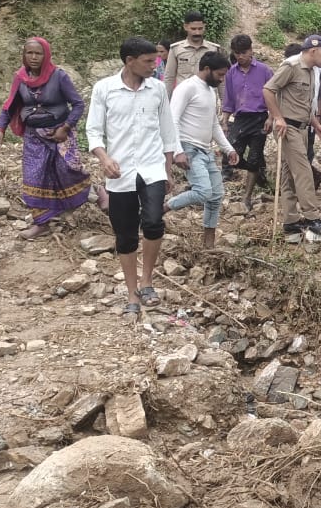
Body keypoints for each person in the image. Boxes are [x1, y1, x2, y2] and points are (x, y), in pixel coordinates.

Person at [86, 37, 186, 318]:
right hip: (121, 173)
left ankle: (147, 281)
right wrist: (105, 159)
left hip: (152, 167)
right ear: (130, 61)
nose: (154, 66)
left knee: (154, 222)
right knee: (125, 234)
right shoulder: (105, 89)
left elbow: (168, 131)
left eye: (155, 60)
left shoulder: (157, 90)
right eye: (148, 61)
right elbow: (93, 131)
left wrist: (167, 170)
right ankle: (132, 293)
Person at [0, 37, 94, 239]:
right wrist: (0, 129)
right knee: (34, 177)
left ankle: (96, 192)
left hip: (58, 135)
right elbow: (10, 105)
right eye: (29, 53)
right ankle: (42, 223)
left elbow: (78, 104)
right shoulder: (20, 78)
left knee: (67, 172)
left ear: (46, 55)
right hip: (33, 137)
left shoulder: (59, 76)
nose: (33, 57)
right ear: (24, 55)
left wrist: (65, 128)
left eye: (38, 53)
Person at [264, 34, 321, 238]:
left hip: (303, 127)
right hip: (288, 128)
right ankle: (312, 217)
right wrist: (277, 118)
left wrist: (316, 125)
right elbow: (268, 90)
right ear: (313, 50)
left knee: (289, 176)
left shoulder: (313, 70)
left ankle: (291, 222)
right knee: (304, 171)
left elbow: (304, 104)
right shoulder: (291, 66)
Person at [168, 52, 238, 247]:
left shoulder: (209, 90)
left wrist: (228, 149)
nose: (222, 79)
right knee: (203, 192)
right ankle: (163, 208)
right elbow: (172, 119)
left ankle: (209, 243)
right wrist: (177, 151)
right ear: (207, 69)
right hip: (189, 148)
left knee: (216, 196)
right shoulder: (187, 88)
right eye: (220, 75)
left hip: (206, 150)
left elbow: (214, 123)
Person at [221, 34, 272, 213]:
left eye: (243, 52)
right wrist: (225, 121)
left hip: (259, 118)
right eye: (237, 53)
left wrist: (271, 117)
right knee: (231, 153)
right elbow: (228, 99)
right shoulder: (231, 73)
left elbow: (274, 96)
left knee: (255, 157)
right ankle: (258, 171)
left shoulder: (265, 71)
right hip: (240, 119)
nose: (240, 56)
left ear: (251, 50)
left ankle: (247, 196)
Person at [164, 11, 225, 97]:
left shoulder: (214, 49)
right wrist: (166, 104)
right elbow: (169, 78)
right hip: (183, 98)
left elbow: (221, 78)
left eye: (200, 29)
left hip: (207, 98)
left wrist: (224, 104)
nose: (197, 33)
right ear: (185, 27)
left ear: (204, 27)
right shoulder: (176, 49)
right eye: (193, 29)